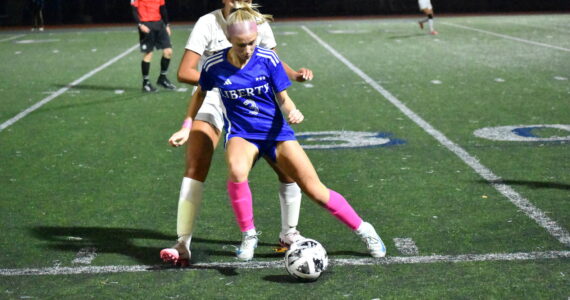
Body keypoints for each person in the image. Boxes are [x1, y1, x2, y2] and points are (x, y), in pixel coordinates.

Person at [168, 2, 387, 261]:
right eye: (241, 44)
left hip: (276, 133)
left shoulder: (267, 59)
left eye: (251, 42)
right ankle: (249, 235)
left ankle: (365, 230)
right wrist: (186, 126)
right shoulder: (214, 65)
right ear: (228, 38)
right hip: (242, 133)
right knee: (237, 170)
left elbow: (282, 98)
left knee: (315, 190)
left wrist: (293, 110)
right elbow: (200, 95)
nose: (247, 49)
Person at [160, 0, 314, 266]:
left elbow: (273, 60)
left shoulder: (258, 22)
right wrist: (224, 78)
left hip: (250, 99)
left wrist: (296, 76)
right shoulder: (207, 23)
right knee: (196, 164)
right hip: (214, 95)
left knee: (286, 169)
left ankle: (288, 234)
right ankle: (183, 243)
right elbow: (185, 72)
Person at [131, 0, 177, 92]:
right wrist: (140, 25)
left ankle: (162, 78)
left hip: (159, 24)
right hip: (146, 24)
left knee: (168, 51)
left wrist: (167, 24)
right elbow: (134, 10)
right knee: (148, 54)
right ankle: (146, 83)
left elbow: (163, 9)